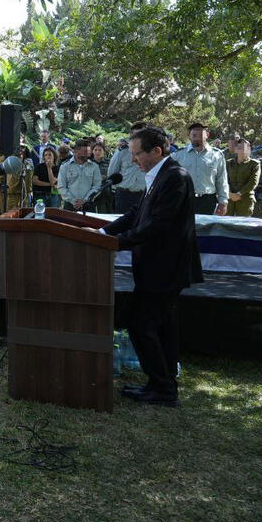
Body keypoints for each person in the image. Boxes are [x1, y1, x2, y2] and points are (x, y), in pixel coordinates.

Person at [96, 126, 202, 407]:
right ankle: (162, 386)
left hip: (165, 268)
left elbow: (158, 225)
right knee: (162, 327)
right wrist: (104, 233)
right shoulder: (160, 175)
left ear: (157, 151)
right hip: (156, 267)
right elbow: (137, 213)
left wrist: (116, 242)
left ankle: (163, 387)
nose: (133, 160)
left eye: (137, 154)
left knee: (139, 323)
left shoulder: (175, 177)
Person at [172, 122, 229, 215]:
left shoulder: (217, 155)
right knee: (184, 229)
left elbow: (221, 180)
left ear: (207, 135)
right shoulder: (178, 155)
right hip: (184, 200)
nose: (197, 137)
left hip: (208, 201)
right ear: (189, 136)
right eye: (194, 134)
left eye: (200, 134)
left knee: (206, 229)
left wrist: (223, 202)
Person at [108, 122, 148, 213]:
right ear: (131, 135)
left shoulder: (151, 152)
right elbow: (112, 173)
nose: (139, 138)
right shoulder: (123, 150)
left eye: (142, 135)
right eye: (136, 135)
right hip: (124, 195)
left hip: (143, 195)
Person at [57, 139, 102, 212]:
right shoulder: (65, 166)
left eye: (88, 151)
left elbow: (97, 186)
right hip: (69, 206)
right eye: (84, 152)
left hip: (89, 206)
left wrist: (85, 200)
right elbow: (61, 187)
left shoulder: (94, 167)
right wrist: (73, 201)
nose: (87, 154)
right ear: (75, 152)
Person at [226, 139, 261, 218]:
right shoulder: (229, 163)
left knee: (242, 226)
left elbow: (253, 182)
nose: (242, 150)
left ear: (249, 150)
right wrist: (230, 193)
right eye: (239, 147)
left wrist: (239, 193)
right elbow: (224, 179)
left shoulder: (254, 164)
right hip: (229, 197)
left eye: (245, 147)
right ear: (235, 150)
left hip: (245, 198)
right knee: (226, 223)